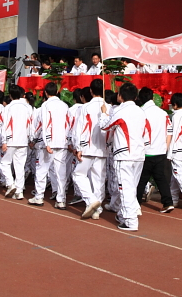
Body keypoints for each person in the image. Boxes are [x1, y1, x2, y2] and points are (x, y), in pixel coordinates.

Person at [100, 82, 146, 231]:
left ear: (120, 96)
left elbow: (105, 126)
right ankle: (123, 213)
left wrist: (104, 113)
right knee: (131, 186)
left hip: (124, 154)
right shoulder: (140, 111)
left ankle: (130, 221)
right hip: (139, 153)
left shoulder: (120, 111)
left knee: (125, 187)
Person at [71, 81, 108, 219]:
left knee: (78, 174)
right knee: (99, 179)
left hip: (87, 147)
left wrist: (78, 147)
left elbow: (79, 128)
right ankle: (97, 209)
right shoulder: (108, 107)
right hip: (102, 148)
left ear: (91, 91)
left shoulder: (85, 107)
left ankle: (92, 201)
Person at [137, 87, 175, 213]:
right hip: (160, 151)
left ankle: (136, 204)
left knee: (141, 180)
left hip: (146, 152)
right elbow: (169, 132)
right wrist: (165, 148)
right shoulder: (163, 113)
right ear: (153, 98)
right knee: (161, 179)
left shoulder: (141, 112)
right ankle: (168, 203)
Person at [40, 81, 71, 209]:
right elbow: (68, 124)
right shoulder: (65, 105)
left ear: (46, 93)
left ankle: (39, 195)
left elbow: (45, 124)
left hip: (51, 142)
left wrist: (47, 142)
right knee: (61, 171)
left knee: (42, 169)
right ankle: (61, 198)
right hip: (62, 142)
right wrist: (68, 140)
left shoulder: (46, 105)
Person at [0, 85, 31, 200]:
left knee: (4, 163)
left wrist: (4, 140)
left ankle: (10, 184)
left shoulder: (8, 108)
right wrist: (30, 137)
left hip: (11, 140)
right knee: (20, 166)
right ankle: (19, 191)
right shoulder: (27, 107)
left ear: (10, 95)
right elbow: (30, 124)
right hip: (23, 140)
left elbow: (5, 125)